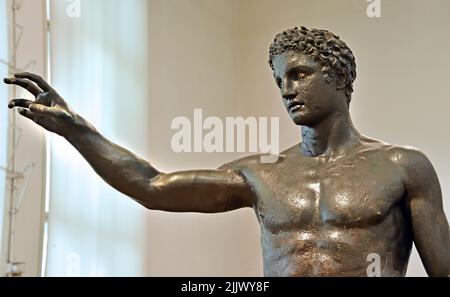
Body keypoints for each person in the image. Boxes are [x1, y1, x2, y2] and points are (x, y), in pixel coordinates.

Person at [4, 26, 450, 276]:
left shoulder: (402, 167)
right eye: (279, 81)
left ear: (339, 79)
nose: (287, 90)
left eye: (299, 75)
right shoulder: (264, 174)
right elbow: (152, 186)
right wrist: (78, 131)